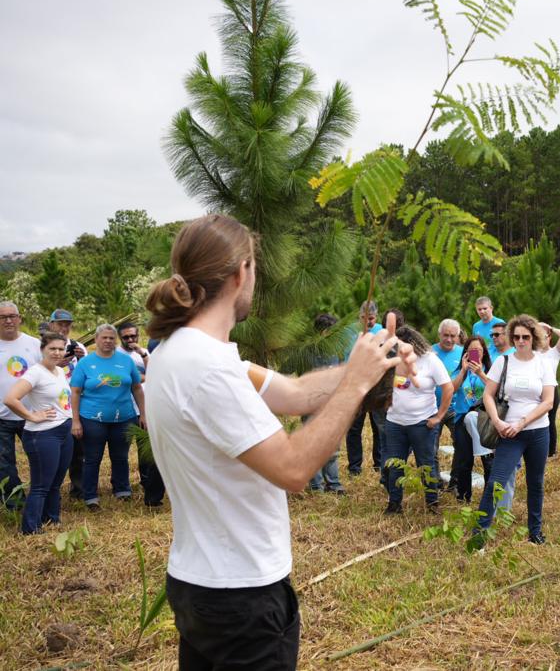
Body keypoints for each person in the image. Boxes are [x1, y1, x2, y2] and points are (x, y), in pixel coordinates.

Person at [144, 214, 413, 668]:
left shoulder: (183, 353)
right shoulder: (208, 370)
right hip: (240, 598)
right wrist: (353, 387)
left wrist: (374, 365)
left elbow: (296, 393)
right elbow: (291, 469)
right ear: (239, 274)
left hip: (204, 584)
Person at [476, 314, 556, 546]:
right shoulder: (504, 362)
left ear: (534, 338)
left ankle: (535, 531)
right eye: (517, 337)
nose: (521, 341)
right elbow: (488, 395)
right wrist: (498, 423)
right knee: (496, 482)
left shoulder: (543, 363)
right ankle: (479, 536)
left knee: (536, 482)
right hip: (508, 433)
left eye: (526, 337)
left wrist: (522, 422)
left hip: (537, 431)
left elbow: (548, 401)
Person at [3, 331, 73, 534]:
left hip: (63, 430)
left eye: (61, 348)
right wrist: (32, 416)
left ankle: (51, 519)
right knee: (41, 485)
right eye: (52, 348)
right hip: (43, 434)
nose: (57, 352)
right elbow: (11, 399)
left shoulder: (59, 371)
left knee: (55, 482)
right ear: (42, 349)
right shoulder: (35, 372)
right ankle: (30, 528)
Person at [70, 324, 145, 510]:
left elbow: (137, 387)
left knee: (120, 456)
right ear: (96, 340)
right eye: (104, 337)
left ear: (115, 341)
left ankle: (122, 490)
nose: (108, 341)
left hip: (125, 417)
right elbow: (76, 392)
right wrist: (76, 420)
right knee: (92, 458)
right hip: (92, 419)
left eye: (111, 338)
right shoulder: (85, 363)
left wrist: (143, 413)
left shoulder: (126, 361)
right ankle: (90, 496)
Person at [383, 326, 453, 514]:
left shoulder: (430, 361)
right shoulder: (393, 360)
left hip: (422, 423)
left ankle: (432, 503)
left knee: (426, 464)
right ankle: (394, 503)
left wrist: (438, 416)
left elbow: (448, 388)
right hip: (395, 423)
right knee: (395, 464)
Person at [118, 321, 165, 506]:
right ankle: (121, 487)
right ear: (119, 337)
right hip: (126, 408)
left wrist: (143, 354)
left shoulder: (144, 352)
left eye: (133, 336)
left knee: (146, 450)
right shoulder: (115, 354)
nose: (130, 340)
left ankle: (147, 483)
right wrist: (143, 377)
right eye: (126, 337)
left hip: (147, 408)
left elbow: (156, 373)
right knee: (121, 452)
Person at [0, 301, 41, 510]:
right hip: (2, 416)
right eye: (3, 317)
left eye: (12, 316)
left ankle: (40, 498)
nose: (8, 320)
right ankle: (15, 504)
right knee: (4, 464)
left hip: (31, 413)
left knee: (39, 459)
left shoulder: (34, 344)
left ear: (19, 319)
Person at [48, 308, 87, 499]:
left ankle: (78, 488)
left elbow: (87, 373)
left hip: (75, 404)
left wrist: (81, 357)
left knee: (78, 451)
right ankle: (49, 487)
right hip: (51, 405)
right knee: (54, 450)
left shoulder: (78, 345)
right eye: (60, 324)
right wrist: (56, 364)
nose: (64, 328)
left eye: (67, 324)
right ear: (51, 325)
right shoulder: (43, 346)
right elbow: (34, 373)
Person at [450, 335, 493, 501]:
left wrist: (480, 373)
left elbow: (495, 388)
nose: (476, 353)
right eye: (471, 351)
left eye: (479, 351)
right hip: (462, 418)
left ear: (484, 352)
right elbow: (452, 389)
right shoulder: (460, 369)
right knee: (464, 459)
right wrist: (463, 370)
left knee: (487, 458)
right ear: (466, 353)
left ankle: (488, 496)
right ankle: (463, 496)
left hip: (483, 418)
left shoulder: (489, 368)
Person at [344, 301, 385, 475]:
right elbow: (346, 358)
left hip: (377, 385)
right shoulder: (350, 332)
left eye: (371, 318)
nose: (368, 322)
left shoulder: (383, 332)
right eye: (364, 318)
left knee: (379, 427)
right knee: (354, 428)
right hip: (356, 385)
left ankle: (379, 464)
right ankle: (354, 467)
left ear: (376, 317)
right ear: (359, 316)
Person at [306, 313, 344, 495]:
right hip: (311, 405)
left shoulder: (337, 351)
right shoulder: (308, 353)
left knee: (333, 447)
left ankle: (334, 484)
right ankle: (316, 486)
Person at [432, 319, 464, 487]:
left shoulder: (463, 353)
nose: (449, 339)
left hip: (455, 408)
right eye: (446, 335)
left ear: (458, 336)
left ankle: (455, 481)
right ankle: (435, 482)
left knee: (461, 445)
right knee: (431, 448)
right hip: (432, 409)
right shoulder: (429, 352)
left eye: (453, 336)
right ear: (439, 334)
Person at [537, 321, 560, 456]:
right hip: (537, 388)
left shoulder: (555, 352)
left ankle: (551, 451)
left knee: (550, 419)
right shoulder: (533, 353)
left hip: (551, 389)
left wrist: (550, 327)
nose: (541, 338)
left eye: (544, 335)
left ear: (549, 337)